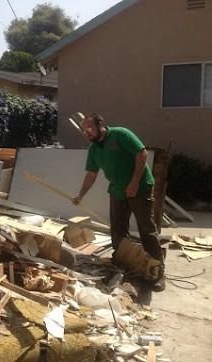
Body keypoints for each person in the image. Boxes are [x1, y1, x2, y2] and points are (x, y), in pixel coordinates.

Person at [73, 113, 165, 291]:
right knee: (117, 230)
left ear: (100, 125)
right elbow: (91, 174)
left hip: (139, 188)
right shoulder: (94, 149)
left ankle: (158, 272)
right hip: (117, 191)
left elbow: (142, 153)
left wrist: (134, 182)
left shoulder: (121, 134)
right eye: (84, 131)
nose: (87, 133)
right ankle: (124, 263)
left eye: (89, 128)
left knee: (147, 230)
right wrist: (81, 195)